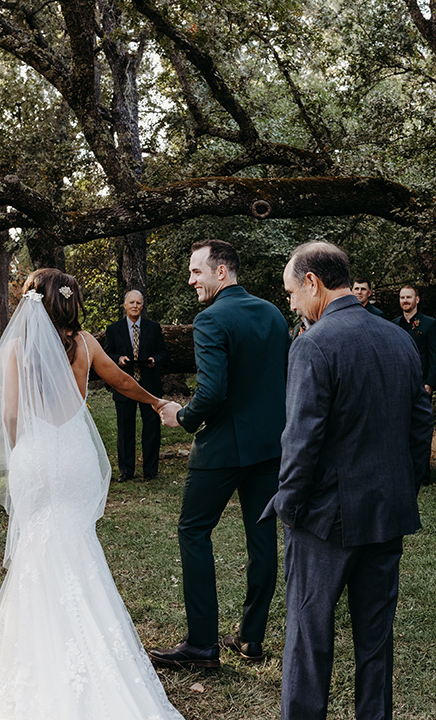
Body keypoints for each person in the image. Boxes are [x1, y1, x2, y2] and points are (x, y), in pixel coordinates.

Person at [0, 269, 185, 720]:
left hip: (37, 455)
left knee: (38, 549)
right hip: (75, 458)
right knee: (76, 544)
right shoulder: (86, 343)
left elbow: (9, 414)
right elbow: (122, 383)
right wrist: (156, 402)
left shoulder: (17, 346)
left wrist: (20, 453)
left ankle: (40, 653)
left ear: (35, 302)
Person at [261, 242, 433, 720]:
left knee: (308, 643)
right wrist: (405, 486)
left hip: (324, 523)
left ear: (313, 282)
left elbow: (301, 442)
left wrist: (290, 509)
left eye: (291, 291)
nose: (291, 303)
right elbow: (421, 424)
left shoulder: (312, 344)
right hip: (388, 513)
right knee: (376, 643)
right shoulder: (399, 339)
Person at [149, 239, 290, 668]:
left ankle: (201, 645)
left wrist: (183, 415)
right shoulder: (272, 313)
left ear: (221, 271)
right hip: (271, 447)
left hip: (224, 448)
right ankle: (250, 637)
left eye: (196, 271)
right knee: (263, 540)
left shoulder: (209, 320)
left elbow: (211, 393)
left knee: (193, 532)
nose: (191, 279)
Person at [105, 290, 166, 482]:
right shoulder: (113, 329)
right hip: (124, 385)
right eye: (131, 302)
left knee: (151, 427)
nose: (135, 306)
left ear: (142, 306)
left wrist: (154, 360)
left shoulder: (153, 328)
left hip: (149, 385)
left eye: (138, 303)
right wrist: (118, 359)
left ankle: (150, 470)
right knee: (125, 428)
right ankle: (127, 470)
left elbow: (163, 354)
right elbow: (107, 355)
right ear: (125, 305)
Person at [393, 284, 436, 395]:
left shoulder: (429, 324)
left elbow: (434, 355)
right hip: (398, 383)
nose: (405, 300)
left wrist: (430, 383)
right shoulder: (393, 324)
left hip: (421, 383)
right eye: (402, 298)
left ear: (417, 299)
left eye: (408, 297)